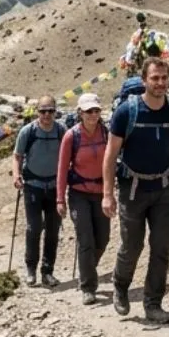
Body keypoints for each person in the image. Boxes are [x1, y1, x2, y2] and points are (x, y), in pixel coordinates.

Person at [102, 56, 169, 324]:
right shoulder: (126, 112)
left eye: (164, 78)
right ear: (144, 81)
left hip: (164, 188)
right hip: (133, 189)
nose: (160, 83)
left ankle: (153, 304)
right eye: (155, 78)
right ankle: (120, 285)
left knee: (162, 246)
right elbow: (110, 153)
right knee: (132, 245)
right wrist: (107, 194)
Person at [57, 92, 110, 305]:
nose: (93, 115)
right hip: (79, 193)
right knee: (85, 239)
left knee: (103, 239)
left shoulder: (106, 133)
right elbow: (62, 169)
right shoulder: (72, 136)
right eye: (89, 111)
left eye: (96, 110)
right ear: (80, 113)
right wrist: (60, 199)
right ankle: (88, 287)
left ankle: (87, 268)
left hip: (101, 193)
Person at [12, 96, 66, 287]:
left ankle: (47, 271)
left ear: (55, 112)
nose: (46, 115)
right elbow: (17, 156)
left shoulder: (61, 131)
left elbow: (69, 155)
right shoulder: (28, 131)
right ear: (37, 112)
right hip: (33, 186)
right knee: (33, 228)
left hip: (54, 187)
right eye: (43, 111)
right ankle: (30, 269)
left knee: (52, 231)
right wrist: (16, 175)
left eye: (50, 111)